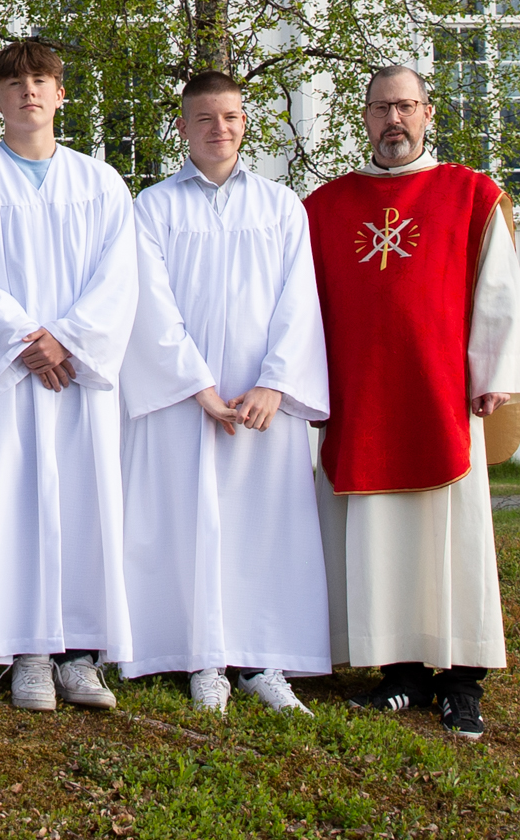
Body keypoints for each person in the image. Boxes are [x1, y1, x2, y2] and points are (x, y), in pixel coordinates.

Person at [305, 64, 520, 740]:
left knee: (453, 541)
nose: (394, 120)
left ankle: (462, 681)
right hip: (363, 401)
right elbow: (302, 307)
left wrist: (492, 371)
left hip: (442, 398)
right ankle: (400, 671)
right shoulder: (326, 206)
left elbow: (499, 289)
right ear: (364, 117)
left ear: (427, 113)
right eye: (382, 108)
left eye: (406, 106)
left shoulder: (469, 195)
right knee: (380, 538)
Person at [118, 71, 332, 713]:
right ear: (182, 126)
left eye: (232, 116)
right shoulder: (153, 208)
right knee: (189, 526)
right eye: (205, 118)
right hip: (187, 401)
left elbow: (299, 302)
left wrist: (274, 382)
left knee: (262, 527)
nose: (220, 128)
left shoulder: (280, 207)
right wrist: (198, 386)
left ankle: (262, 660)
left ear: (245, 123)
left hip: (261, 404)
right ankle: (201, 657)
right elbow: (150, 305)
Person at [0, 40, 139, 712]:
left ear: (60, 94)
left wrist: (68, 340)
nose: (29, 92)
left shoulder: (100, 183)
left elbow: (119, 277)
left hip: (75, 375)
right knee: (11, 504)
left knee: (82, 504)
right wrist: (30, 342)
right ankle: (26, 650)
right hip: (11, 376)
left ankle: (79, 654)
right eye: (14, 83)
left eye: (41, 81)